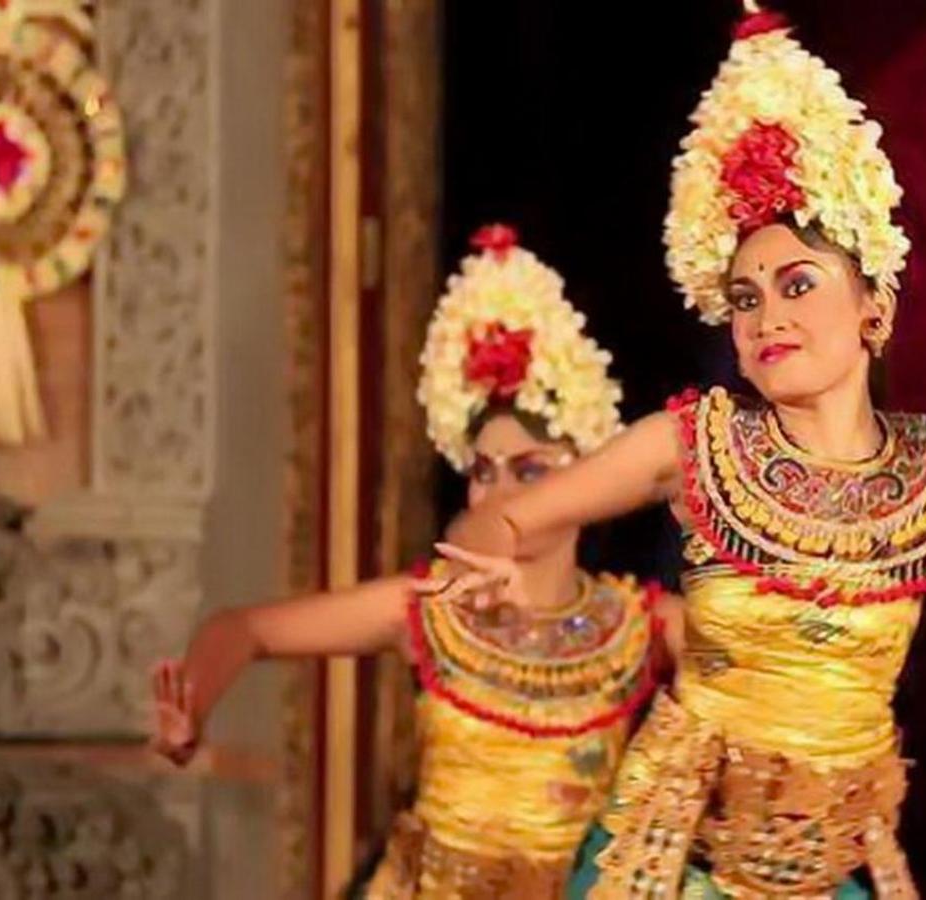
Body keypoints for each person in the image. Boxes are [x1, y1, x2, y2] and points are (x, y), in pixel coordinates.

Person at [431, 9, 926, 898]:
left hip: (829, 869)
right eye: (745, 299)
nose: (768, 318)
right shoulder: (695, 443)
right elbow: (503, 521)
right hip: (677, 867)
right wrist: (489, 564)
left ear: (874, 309)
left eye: (797, 285)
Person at [149, 226, 679, 899]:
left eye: (530, 471)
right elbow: (245, 630)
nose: (499, 493)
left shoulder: (637, 626)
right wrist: (192, 708)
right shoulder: (433, 606)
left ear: (586, 482)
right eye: (482, 472)